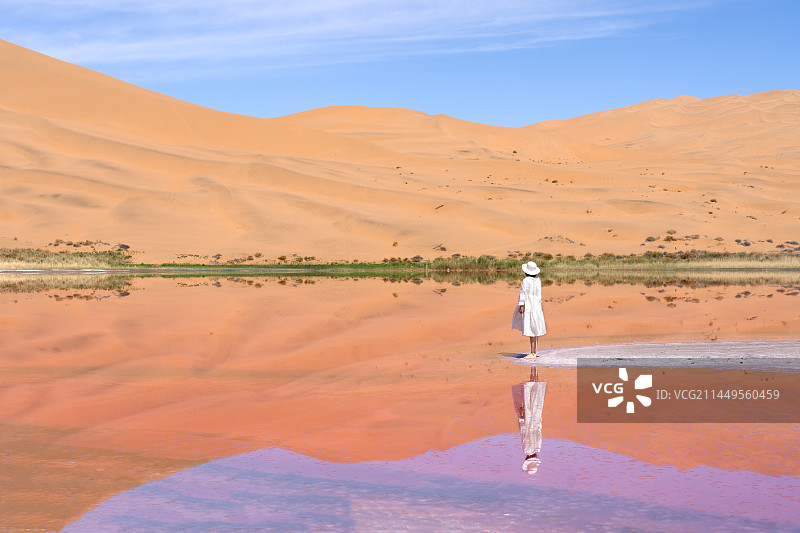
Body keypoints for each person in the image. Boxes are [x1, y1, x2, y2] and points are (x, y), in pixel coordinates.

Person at [511, 366, 546, 474]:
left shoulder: (538, 448)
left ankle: (535, 371)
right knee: (528, 400)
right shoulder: (527, 449)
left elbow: (538, 432)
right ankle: (533, 369)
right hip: (528, 422)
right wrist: (521, 420)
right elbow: (525, 434)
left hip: (535, 421)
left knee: (536, 400)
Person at [510, 261, 546, 358]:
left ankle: (533, 353)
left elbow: (523, 293)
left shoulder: (526, 281)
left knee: (531, 328)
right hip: (536, 305)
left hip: (529, 305)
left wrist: (521, 305)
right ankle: (534, 351)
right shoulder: (538, 280)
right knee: (535, 327)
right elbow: (539, 294)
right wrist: (540, 305)